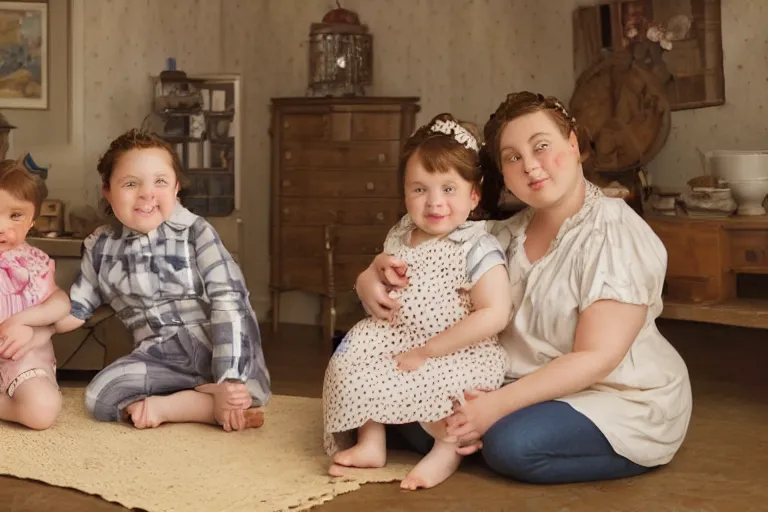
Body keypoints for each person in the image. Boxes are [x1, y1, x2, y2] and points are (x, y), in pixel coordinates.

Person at [355, 92, 692, 485]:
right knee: (394, 404)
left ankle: (492, 438)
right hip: (519, 384)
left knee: (512, 445)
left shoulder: (613, 233)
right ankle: (474, 435)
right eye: (513, 157)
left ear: (573, 143)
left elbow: (597, 357)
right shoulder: (500, 235)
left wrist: (493, 407)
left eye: (541, 147)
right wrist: (368, 278)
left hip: (615, 393)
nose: (530, 166)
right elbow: (420, 258)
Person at [323, 114, 511, 490]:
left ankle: (446, 450)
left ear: (473, 195)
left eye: (448, 189)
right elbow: (385, 277)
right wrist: (376, 269)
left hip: (454, 348)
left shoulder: (477, 245)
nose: (434, 202)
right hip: (397, 337)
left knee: (446, 389)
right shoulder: (402, 232)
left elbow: (494, 313)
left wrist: (428, 351)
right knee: (350, 360)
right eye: (419, 190)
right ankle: (370, 441)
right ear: (405, 193)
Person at [55, 129, 271, 432]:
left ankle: (202, 398)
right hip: (160, 357)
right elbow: (77, 308)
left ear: (176, 188)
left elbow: (230, 300)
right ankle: (209, 407)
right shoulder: (100, 247)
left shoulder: (196, 232)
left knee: (242, 386)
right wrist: (30, 326)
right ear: (107, 190)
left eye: (160, 182)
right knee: (98, 395)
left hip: (212, 344)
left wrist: (230, 375)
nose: (147, 194)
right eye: (131, 184)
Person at [0, 159, 71, 430]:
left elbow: (61, 303)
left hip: (23, 360)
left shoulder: (34, 262)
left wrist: (24, 320)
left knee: (41, 410)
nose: (1, 226)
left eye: (15, 215)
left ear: (32, 220)